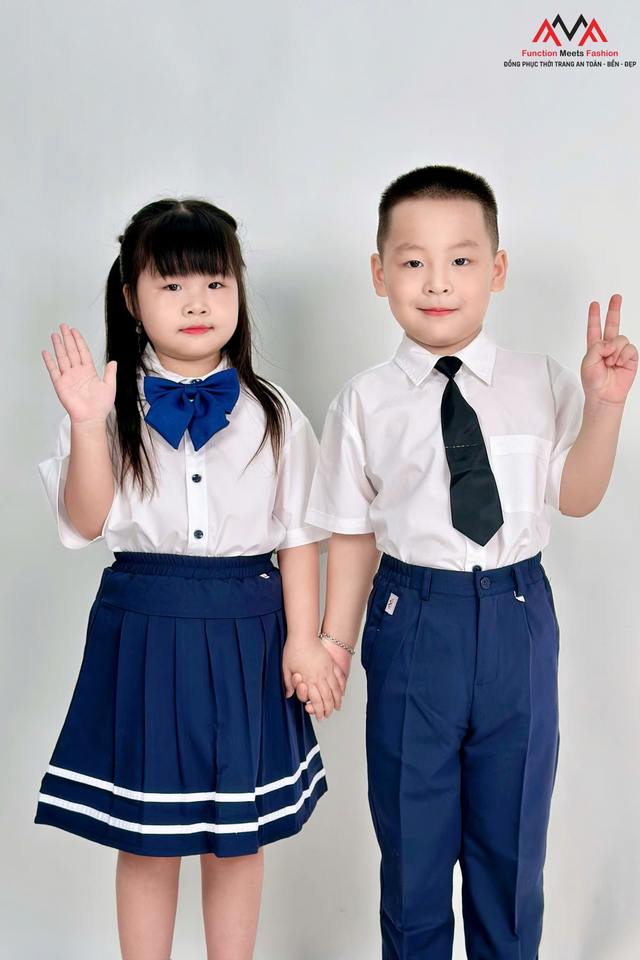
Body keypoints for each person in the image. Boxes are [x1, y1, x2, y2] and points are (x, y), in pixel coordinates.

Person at [301, 165, 638, 959]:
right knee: (412, 853)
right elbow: (350, 534)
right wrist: (333, 642)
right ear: (379, 273)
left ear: (497, 268)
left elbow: (577, 495)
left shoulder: (538, 381)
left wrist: (605, 407)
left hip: (518, 620)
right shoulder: (365, 402)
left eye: (461, 259)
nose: (437, 282)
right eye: (413, 261)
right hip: (412, 619)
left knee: (510, 850)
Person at [34, 198, 343, 960]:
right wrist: (87, 425)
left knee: (237, 836)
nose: (197, 302)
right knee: (147, 837)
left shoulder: (274, 414)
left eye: (215, 282)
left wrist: (305, 640)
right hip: (145, 626)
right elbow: (86, 519)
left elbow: (300, 536)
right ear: (131, 300)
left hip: (248, 631)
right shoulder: (108, 409)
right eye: (171, 285)